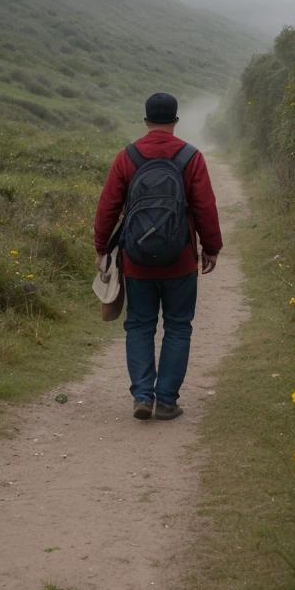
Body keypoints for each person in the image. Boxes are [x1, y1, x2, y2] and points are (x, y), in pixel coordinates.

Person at [94, 93, 223, 421]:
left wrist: (101, 249)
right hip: (180, 260)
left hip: (136, 261)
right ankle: (166, 400)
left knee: (139, 324)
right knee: (178, 326)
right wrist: (211, 248)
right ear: (175, 120)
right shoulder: (191, 157)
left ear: (147, 120)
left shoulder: (128, 156)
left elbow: (108, 206)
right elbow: (205, 207)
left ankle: (142, 394)